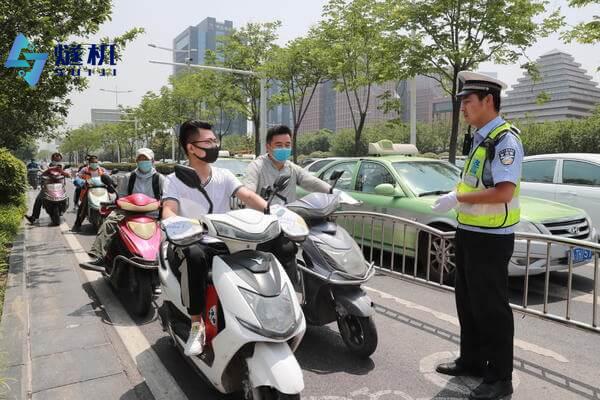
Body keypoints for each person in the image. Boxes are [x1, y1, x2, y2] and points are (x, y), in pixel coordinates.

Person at [432, 71, 523, 400]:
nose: (463, 109)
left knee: (492, 309)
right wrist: (457, 195)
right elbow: (475, 183)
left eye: (468, 102)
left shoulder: (504, 140)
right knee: (467, 303)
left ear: (488, 100)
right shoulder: (481, 138)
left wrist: (458, 198)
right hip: (468, 232)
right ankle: (471, 360)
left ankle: (500, 378)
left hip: (491, 238)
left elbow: (503, 192)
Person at [162, 120, 268, 356]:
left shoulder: (224, 175)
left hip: (221, 241)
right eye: (209, 141)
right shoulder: (175, 180)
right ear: (191, 147)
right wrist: (174, 221)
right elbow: (168, 208)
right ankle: (196, 325)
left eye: (215, 141)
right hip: (187, 242)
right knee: (195, 256)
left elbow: (248, 196)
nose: (214, 145)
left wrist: (270, 210)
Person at [242, 125, 332, 284]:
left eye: (287, 145)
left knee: (301, 249)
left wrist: (333, 192)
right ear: (268, 146)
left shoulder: (291, 168)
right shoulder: (256, 166)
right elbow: (248, 194)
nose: (284, 149)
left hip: (287, 226)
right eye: (278, 145)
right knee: (280, 253)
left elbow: (311, 181)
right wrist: (267, 208)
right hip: (262, 227)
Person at [86, 148, 165, 267]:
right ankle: (100, 256)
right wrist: (114, 202)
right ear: (136, 161)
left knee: (171, 232)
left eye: (146, 159)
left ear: (152, 161)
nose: (143, 162)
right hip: (128, 213)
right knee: (109, 223)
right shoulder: (128, 177)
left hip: (153, 214)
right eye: (140, 159)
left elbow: (166, 198)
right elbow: (121, 196)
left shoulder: (160, 178)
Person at [25, 153, 71, 224]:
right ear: (52, 159)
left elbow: (68, 173)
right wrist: (42, 175)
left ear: (60, 159)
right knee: (38, 199)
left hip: (60, 187)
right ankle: (34, 217)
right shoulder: (47, 166)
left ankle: (63, 208)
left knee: (66, 197)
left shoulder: (63, 166)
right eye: (55, 159)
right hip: (48, 186)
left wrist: (66, 173)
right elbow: (42, 173)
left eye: (58, 159)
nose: (56, 161)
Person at [72, 155, 107, 231]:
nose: (94, 163)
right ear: (89, 163)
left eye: (96, 162)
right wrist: (80, 181)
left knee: (111, 203)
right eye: (93, 162)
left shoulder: (102, 170)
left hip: (102, 190)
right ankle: (77, 224)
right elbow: (78, 177)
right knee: (83, 206)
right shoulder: (84, 170)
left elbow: (108, 176)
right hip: (89, 191)